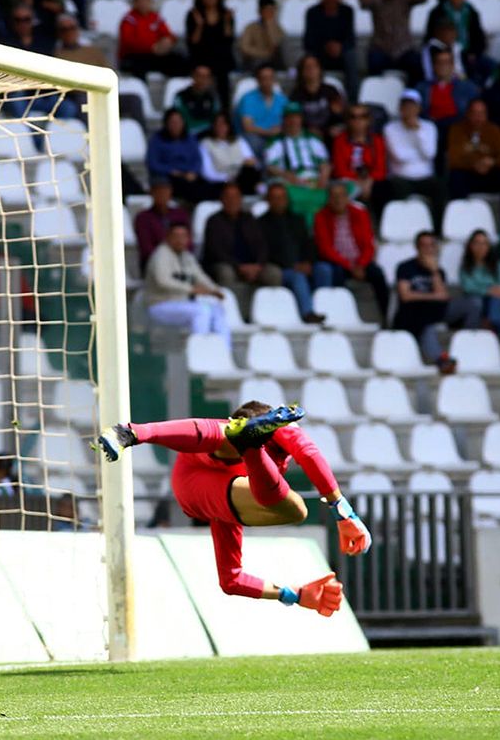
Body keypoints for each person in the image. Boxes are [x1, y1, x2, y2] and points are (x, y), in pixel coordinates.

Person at [95, 401, 369, 612]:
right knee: (295, 509)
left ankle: (249, 444)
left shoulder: (233, 501)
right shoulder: (277, 432)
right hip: (207, 473)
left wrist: (295, 594)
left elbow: (231, 580)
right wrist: (344, 513)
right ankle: (250, 444)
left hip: (203, 487)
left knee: (230, 438)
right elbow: (308, 452)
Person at [313, 182, 390, 320]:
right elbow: (325, 249)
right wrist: (348, 265)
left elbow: (368, 244)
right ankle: (342, 316)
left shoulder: (360, 214)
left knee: (377, 274)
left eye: (341, 196)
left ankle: (385, 316)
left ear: (348, 197)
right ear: (328, 198)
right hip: (337, 262)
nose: (338, 200)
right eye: (334, 196)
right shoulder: (321, 216)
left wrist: (360, 264)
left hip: (360, 262)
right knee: (336, 274)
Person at [144, 223, 230, 348]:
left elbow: (200, 276)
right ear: (167, 237)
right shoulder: (160, 255)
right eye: (176, 236)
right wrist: (191, 289)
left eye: (183, 236)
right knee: (202, 311)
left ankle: (224, 351)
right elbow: (162, 281)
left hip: (181, 304)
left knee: (216, 309)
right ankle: (201, 351)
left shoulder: (187, 256)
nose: (180, 240)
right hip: (159, 305)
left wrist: (214, 289)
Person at [202, 182, 280, 308]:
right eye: (229, 197)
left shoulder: (249, 219)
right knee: (225, 273)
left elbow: (262, 245)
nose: (232, 201)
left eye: (236, 197)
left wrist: (258, 265)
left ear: (241, 199)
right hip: (229, 265)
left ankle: (266, 311)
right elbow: (215, 251)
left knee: (274, 273)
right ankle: (233, 311)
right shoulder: (214, 221)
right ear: (222, 200)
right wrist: (239, 266)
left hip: (253, 266)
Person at [393, 231, 461, 371]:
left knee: (472, 305)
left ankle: (468, 347)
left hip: (432, 312)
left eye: (431, 245)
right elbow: (405, 296)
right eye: (423, 246)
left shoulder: (439, 271)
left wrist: (433, 271)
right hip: (411, 314)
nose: (428, 249)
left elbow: (443, 296)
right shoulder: (405, 267)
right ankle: (441, 359)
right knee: (425, 322)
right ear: (417, 248)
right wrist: (433, 296)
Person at [259, 183, 325, 324]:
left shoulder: (298, 220)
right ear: (268, 200)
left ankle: (324, 308)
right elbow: (263, 252)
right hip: (281, 268)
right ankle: (308, 312)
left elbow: (309, 244)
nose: (279, 201)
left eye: (282, 197)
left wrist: (308, 262)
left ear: (287, 200)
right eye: (275, 198)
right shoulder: (261, 223)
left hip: (303, 265)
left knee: (323, 270)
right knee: (298, 277)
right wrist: (292, 265)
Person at [264, 103, 332, 225]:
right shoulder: (276, 141)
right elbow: (270, 166)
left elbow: (324, 163)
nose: (293, 121)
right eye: (289, 117)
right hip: (292, 181)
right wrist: (288, 176)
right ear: (284, 120)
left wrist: (323, 177)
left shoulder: (313, 138)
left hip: (315, 179)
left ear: (301, 118)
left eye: (296, 117)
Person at [459, 230, 500, 369]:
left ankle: (494, 318)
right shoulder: (466, 267)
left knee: (497, 307)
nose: (481, 247)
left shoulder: (498, 266)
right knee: (498, 315)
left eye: (484, 243)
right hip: (478, 308)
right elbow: (468, 287)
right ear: (470, 246)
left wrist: (494, 291)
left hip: (497, 305)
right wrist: (489, 290)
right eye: (477, 243)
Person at [359, 0, 430, 81]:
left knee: (416, 63)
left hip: (404, 49)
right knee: (373, 60)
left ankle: (412, 95)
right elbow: (363, 1)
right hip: (381, 49)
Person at [384, 90, 448, 212]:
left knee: (440, 188)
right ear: (400, 108)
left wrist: (416, 131)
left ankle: (437, 228)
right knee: (396, 187)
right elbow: (399, 156)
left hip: (425, 177)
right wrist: (418, 155)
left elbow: (430, 153)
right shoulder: (390, 128)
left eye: (412, 106)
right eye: (405, 106)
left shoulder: (429, 127)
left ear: (419, 108)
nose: (409, 110)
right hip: (401, 177)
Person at [447, 98, 500, 205]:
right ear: (468, 114)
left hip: (490, 174)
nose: (478, 117)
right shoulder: (456, 130)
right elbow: (453, 159)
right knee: (455, 177)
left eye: (482, 113)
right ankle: (460, 216)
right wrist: (475, 164)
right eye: (475, 113)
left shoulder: (494, 130)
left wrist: (492, 162)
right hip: (468, 174)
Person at [425, 0, 489, 82]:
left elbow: (479, 37)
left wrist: (474, 52)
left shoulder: (472, 12)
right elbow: (430, 38)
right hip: (445, 52)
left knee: (488, 65)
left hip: (468, 53)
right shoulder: (437, 13)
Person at [331, 103, 390, 213]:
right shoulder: (340, 141)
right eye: (353, 117)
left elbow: (381, 169)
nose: (358, 120)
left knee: (383, 188)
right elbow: (340, 170)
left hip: (371, 181)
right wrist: (357, 183)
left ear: (368, 120)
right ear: (348, 120)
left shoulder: (377, 141)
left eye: (363, 116)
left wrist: (369, 181)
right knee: (339, 191)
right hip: (348, 181)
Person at [118, 0, 188, 79]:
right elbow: (128, 42)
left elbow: (168, 35)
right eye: (140, 0)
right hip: (134, 57)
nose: (144, 3)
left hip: (153, 56)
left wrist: (168, 42)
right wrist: (152, 47)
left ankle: (177, 89)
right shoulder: (129, 19)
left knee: (179, 60)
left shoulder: (155, 17)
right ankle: (141, 92)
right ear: (134, 2)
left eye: (146, 0)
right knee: (139, 65)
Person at [304, 0, 359, 96]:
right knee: (309, 59)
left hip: (341, 53)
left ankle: (353, 98)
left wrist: (340, 47)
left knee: (351, 56)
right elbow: (308, 40)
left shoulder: (347, 11)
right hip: (320, 52)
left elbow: (350, 38)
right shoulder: (312, 12)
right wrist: (326, 47)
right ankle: (310, 95)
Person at [185, 0, 235, 106]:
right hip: (200, 58)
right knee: (201, 73)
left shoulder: (226, 14)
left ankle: (223, 114)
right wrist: (200, 26)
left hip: (220, 59)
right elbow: (192, 43)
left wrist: (227, 22)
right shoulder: (193, 14)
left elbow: (228, 41)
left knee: (223, 77)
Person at [146, 109, 212, 205]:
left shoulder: (190, 139)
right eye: (172, 122)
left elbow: (197, 160)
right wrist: (170, 170)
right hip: (168, 176)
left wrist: (193, 172)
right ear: (166, 124)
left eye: (178, 122)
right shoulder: (157, 140)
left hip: (189, 175)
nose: (175, 125)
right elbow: (152, 163)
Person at [417, 49, 479, 141]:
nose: (443, 66)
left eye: (446, 62)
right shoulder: (422, 87)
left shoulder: (467, 87)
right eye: (439, 62)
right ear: (434, 66)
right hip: (432, 127)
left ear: (452, 65)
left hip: (457, 127)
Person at [134, 179, 191, 273]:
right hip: (155, 263)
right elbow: (146, 248)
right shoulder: (143, 218)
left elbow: (188, 242)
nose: (162, 194)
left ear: (170, 192)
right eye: (158, 191)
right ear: (151, 193)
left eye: (165, 191)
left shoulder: (180, 214)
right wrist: (166, 257)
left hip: (181, 260)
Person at [234, 63, 289, 160]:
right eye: (264, 78)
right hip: (256, 137)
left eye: (270, 78)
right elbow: (248, 127)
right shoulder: (248, 99)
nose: (267, 81)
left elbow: (289, 122)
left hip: (277, 136)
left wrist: (280, 130)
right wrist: (268, 132)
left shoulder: (282, 100)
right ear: (258, 80)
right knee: (261, 146)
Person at [198, 113, 260, 195]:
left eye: (223, 124)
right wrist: (227, 178)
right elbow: (207, 173)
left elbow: (253, 162)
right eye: (217, 124)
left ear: (229, 125)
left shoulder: (239, 141)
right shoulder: (205, 144)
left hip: (242, 177)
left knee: (250, 172)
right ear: (213, 126)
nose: (220, 127)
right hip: (221, 182)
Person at [290, 54, 346, 141]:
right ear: (302, 72)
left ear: (320, 69)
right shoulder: (296, 94)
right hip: (306, 135)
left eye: (314, 66)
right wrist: (307, 130)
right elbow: (294, 119)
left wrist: (337, 120)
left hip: (329, 133)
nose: (311, 70)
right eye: (307, 67)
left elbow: (340, 116)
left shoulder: (331, 91)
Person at [239, 0, 286, 72]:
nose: (269, 13)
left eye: (272, 10)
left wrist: (269, 26)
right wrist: (264, 54)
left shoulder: (277, 28)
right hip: (255, 60)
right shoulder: (251, 27)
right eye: (267, 10)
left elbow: (276, 45)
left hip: (273, 61)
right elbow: (245, 48)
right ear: (260, 11)